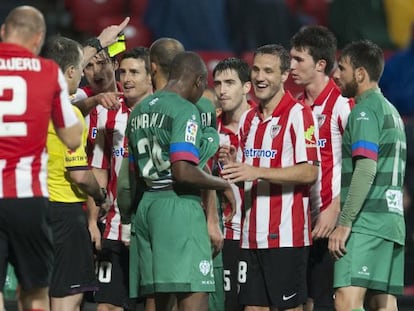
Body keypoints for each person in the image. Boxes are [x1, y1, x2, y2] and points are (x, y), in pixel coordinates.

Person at [125, 51, 233, 311]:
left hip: (147, 205)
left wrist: (129, 216)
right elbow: (182, 171)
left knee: (160, 300)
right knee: (195, 294)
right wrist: (222, 184)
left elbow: (131, 175)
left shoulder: (139, 110)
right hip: (177, 206)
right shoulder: (185, 110)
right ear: (197, 81)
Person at [221, 44, 319, 311]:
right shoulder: (248, 120)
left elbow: (310, 171)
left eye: (268, 71)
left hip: (286, 237)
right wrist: (232, 167)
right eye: (256, 69)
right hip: (250, 236)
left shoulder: (300, 115)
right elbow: (245, 174)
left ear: (285, 75)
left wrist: (257, 172)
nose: (260, 77)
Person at [0, 5, 83, 311]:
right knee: (35, 292)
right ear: (38, 40)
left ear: (3, 32)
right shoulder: (49, 73)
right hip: (28, 197)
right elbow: (72, 138)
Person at [329, 40, 407, 311]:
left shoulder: (363, 110)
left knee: (346, 301)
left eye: (342, 68)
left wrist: (345, 222)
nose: (336, 74)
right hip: (391, 224)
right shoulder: (392, 111)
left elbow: (366, 167)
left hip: (365, 224)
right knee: (382, 304)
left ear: (360, 74)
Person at [41, 36, 110, 311]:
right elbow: (80, 175)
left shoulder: (30, 109)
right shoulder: (69, 115)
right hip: (64, 214)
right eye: (80, 70)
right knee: (65, 301)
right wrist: (100, 194)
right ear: (71, 72)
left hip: (31, 208)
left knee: (35, 296)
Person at [289, 25, 354, 311]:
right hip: (304, 224)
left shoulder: (342, 105)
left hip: (334, 222)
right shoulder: (296, 108)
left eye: (298, 59)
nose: (291, 66)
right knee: (308, 302)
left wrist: (337, 206)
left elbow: (362, 163)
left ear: (321, 64)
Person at [87, 47, 152, 311]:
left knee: (154, 304)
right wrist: (92, 221)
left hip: (151, 225)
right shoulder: (106, 113)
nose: (126, 78)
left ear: (151, 76)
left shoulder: (166, 112)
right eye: (123, 71)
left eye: (135, 72)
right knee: (107, 305)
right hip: (113, 224)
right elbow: (99, 169)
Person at [212, 57, 254, 311]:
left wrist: (241, 164)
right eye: (217, 83)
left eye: (229, 83)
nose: (222, 90)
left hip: (256, 235)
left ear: (247, 87)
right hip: (222, 234)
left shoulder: (263, 124)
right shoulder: (210, 126)